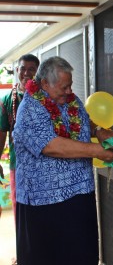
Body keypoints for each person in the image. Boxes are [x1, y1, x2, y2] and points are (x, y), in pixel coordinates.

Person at [13, 56, 113, 265]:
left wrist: (98, 131)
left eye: (70, 85)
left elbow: (83, 119)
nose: (69, 91)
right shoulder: (30, 108)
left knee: (82, 257)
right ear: (44, 84)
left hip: (80, 197)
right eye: (64, 87)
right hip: (45, 206)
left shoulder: (71, 100)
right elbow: (52, 146)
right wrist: (97, 150)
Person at [0, 54, 40, 223]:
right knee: (21, 212)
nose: (26, 73)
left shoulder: (46, 98)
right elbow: (2, 135)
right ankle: (24, 248)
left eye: (31, 69)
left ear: (38, 72)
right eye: (23, 68)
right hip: (19, 166)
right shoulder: (7, 101)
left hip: (44, 164)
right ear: (17, 70)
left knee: (42, 210)